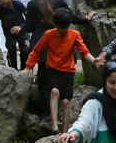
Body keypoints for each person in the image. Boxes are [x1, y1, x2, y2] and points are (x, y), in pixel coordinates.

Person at [25, 8, 97, 136]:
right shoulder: (49, 35)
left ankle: (65, 131)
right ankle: (54, 125)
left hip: (68, 71)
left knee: (65, 101)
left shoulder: (74, 35)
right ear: (56, 25)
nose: (64, 30)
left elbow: (84, 51)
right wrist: (28, 67)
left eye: (66, 27)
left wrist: (94, 61)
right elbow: (36, 51)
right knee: (54, 91)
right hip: (52, 69)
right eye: (61, 27)